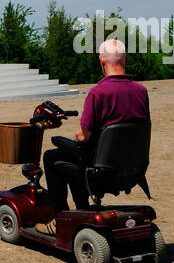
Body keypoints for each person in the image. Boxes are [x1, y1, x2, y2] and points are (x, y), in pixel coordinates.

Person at [43, 38, 151, 213]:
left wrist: (74, 137)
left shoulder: (98, 93)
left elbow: (83, 136)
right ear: (126, 60)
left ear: (101, 60)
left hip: (102, 169)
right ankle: (82, 208)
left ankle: (60, 216)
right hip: (133, 167)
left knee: (53, 156)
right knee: (77, 155)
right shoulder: (141, 91)